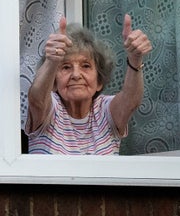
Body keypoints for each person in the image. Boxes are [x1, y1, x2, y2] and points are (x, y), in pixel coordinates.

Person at [25, 14, 152, 155]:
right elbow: (37, 100)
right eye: (66, 67)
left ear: (99, 81)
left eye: (85, 66)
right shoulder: (50, 110)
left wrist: (135, 59)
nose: (76, 74)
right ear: (54, 83)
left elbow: (130, 101)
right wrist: (52, 61)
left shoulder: (104, 110)